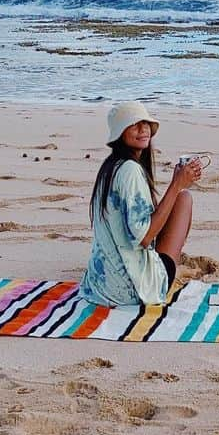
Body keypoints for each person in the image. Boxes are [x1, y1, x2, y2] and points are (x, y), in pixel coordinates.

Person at [79, 101, 203, 308]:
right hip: (133, 290)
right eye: (135, 124)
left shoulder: (110, 168)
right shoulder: (130, 171)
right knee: (184, 199)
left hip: (101, 286)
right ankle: (168, 269)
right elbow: (144, 238)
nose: (143, 129)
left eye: (146, 124)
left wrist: (177, 182)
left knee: (173, 201)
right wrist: (177, 185)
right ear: (120, 133)